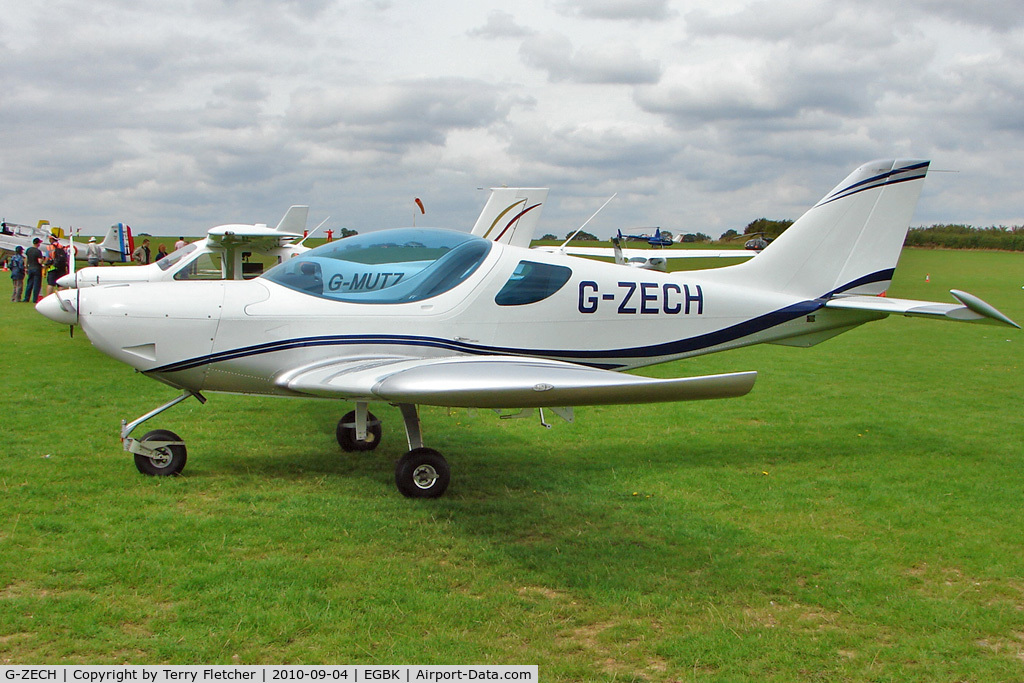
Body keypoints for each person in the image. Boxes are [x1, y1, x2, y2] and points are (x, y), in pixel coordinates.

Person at [22, 237, 43, 303]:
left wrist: (26, 267)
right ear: (38, 243)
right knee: (36, 285)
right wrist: (43, 261)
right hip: (37, 268)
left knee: (29, 284)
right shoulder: (38, 251)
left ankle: (26, 298)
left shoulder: (28, 250)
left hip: (30, 268)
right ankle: (35, 299)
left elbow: (26, 259)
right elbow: (39, 261)